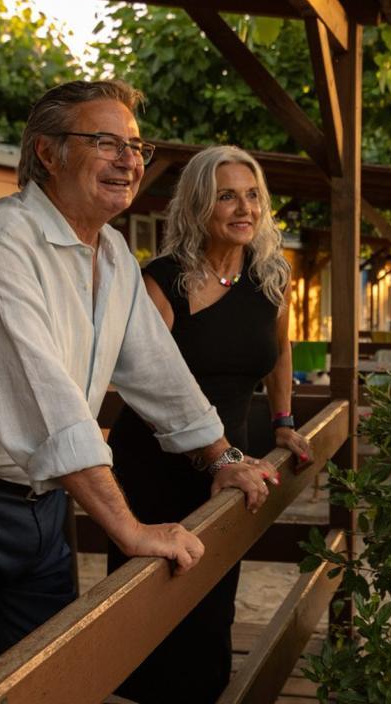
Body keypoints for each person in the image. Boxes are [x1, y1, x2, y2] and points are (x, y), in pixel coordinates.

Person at [0, 81, 278, 703]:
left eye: (135, 144)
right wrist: (129, 530)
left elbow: (162, 375)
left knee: (50, 691)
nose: (130, 158)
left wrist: (223, 457)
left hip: (41, 508)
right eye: (105, 141)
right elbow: (46, 403)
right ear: (48, 153)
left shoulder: (111, 255)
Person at [107, 145, 313, 703]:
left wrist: (283, 423)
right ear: (199, 206)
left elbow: (280, 350)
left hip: (232, 460)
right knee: (148, 598)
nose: (243, 208)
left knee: (211, 607)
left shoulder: (271, 276)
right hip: (156, 462)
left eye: (252, 196)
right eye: (227, 196)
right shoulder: (163, 281)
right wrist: (213, 454)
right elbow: (145, 384)